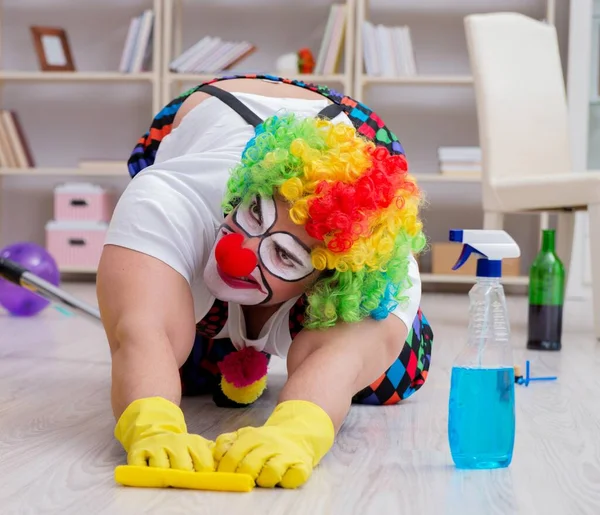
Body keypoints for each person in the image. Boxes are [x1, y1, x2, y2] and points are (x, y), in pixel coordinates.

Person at [96, 74, 434, 490]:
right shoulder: (168, 198)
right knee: (176, 363)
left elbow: (339, 364)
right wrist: (152, 425)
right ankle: (245, 315)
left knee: (391, 380)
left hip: (354, 135)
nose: (237, 250)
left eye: (284, 255)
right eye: (254, 214)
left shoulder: (381, 273)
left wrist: (296, 432)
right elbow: (140, 331)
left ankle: (271, 321)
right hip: (216, 105)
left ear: (326, 279)